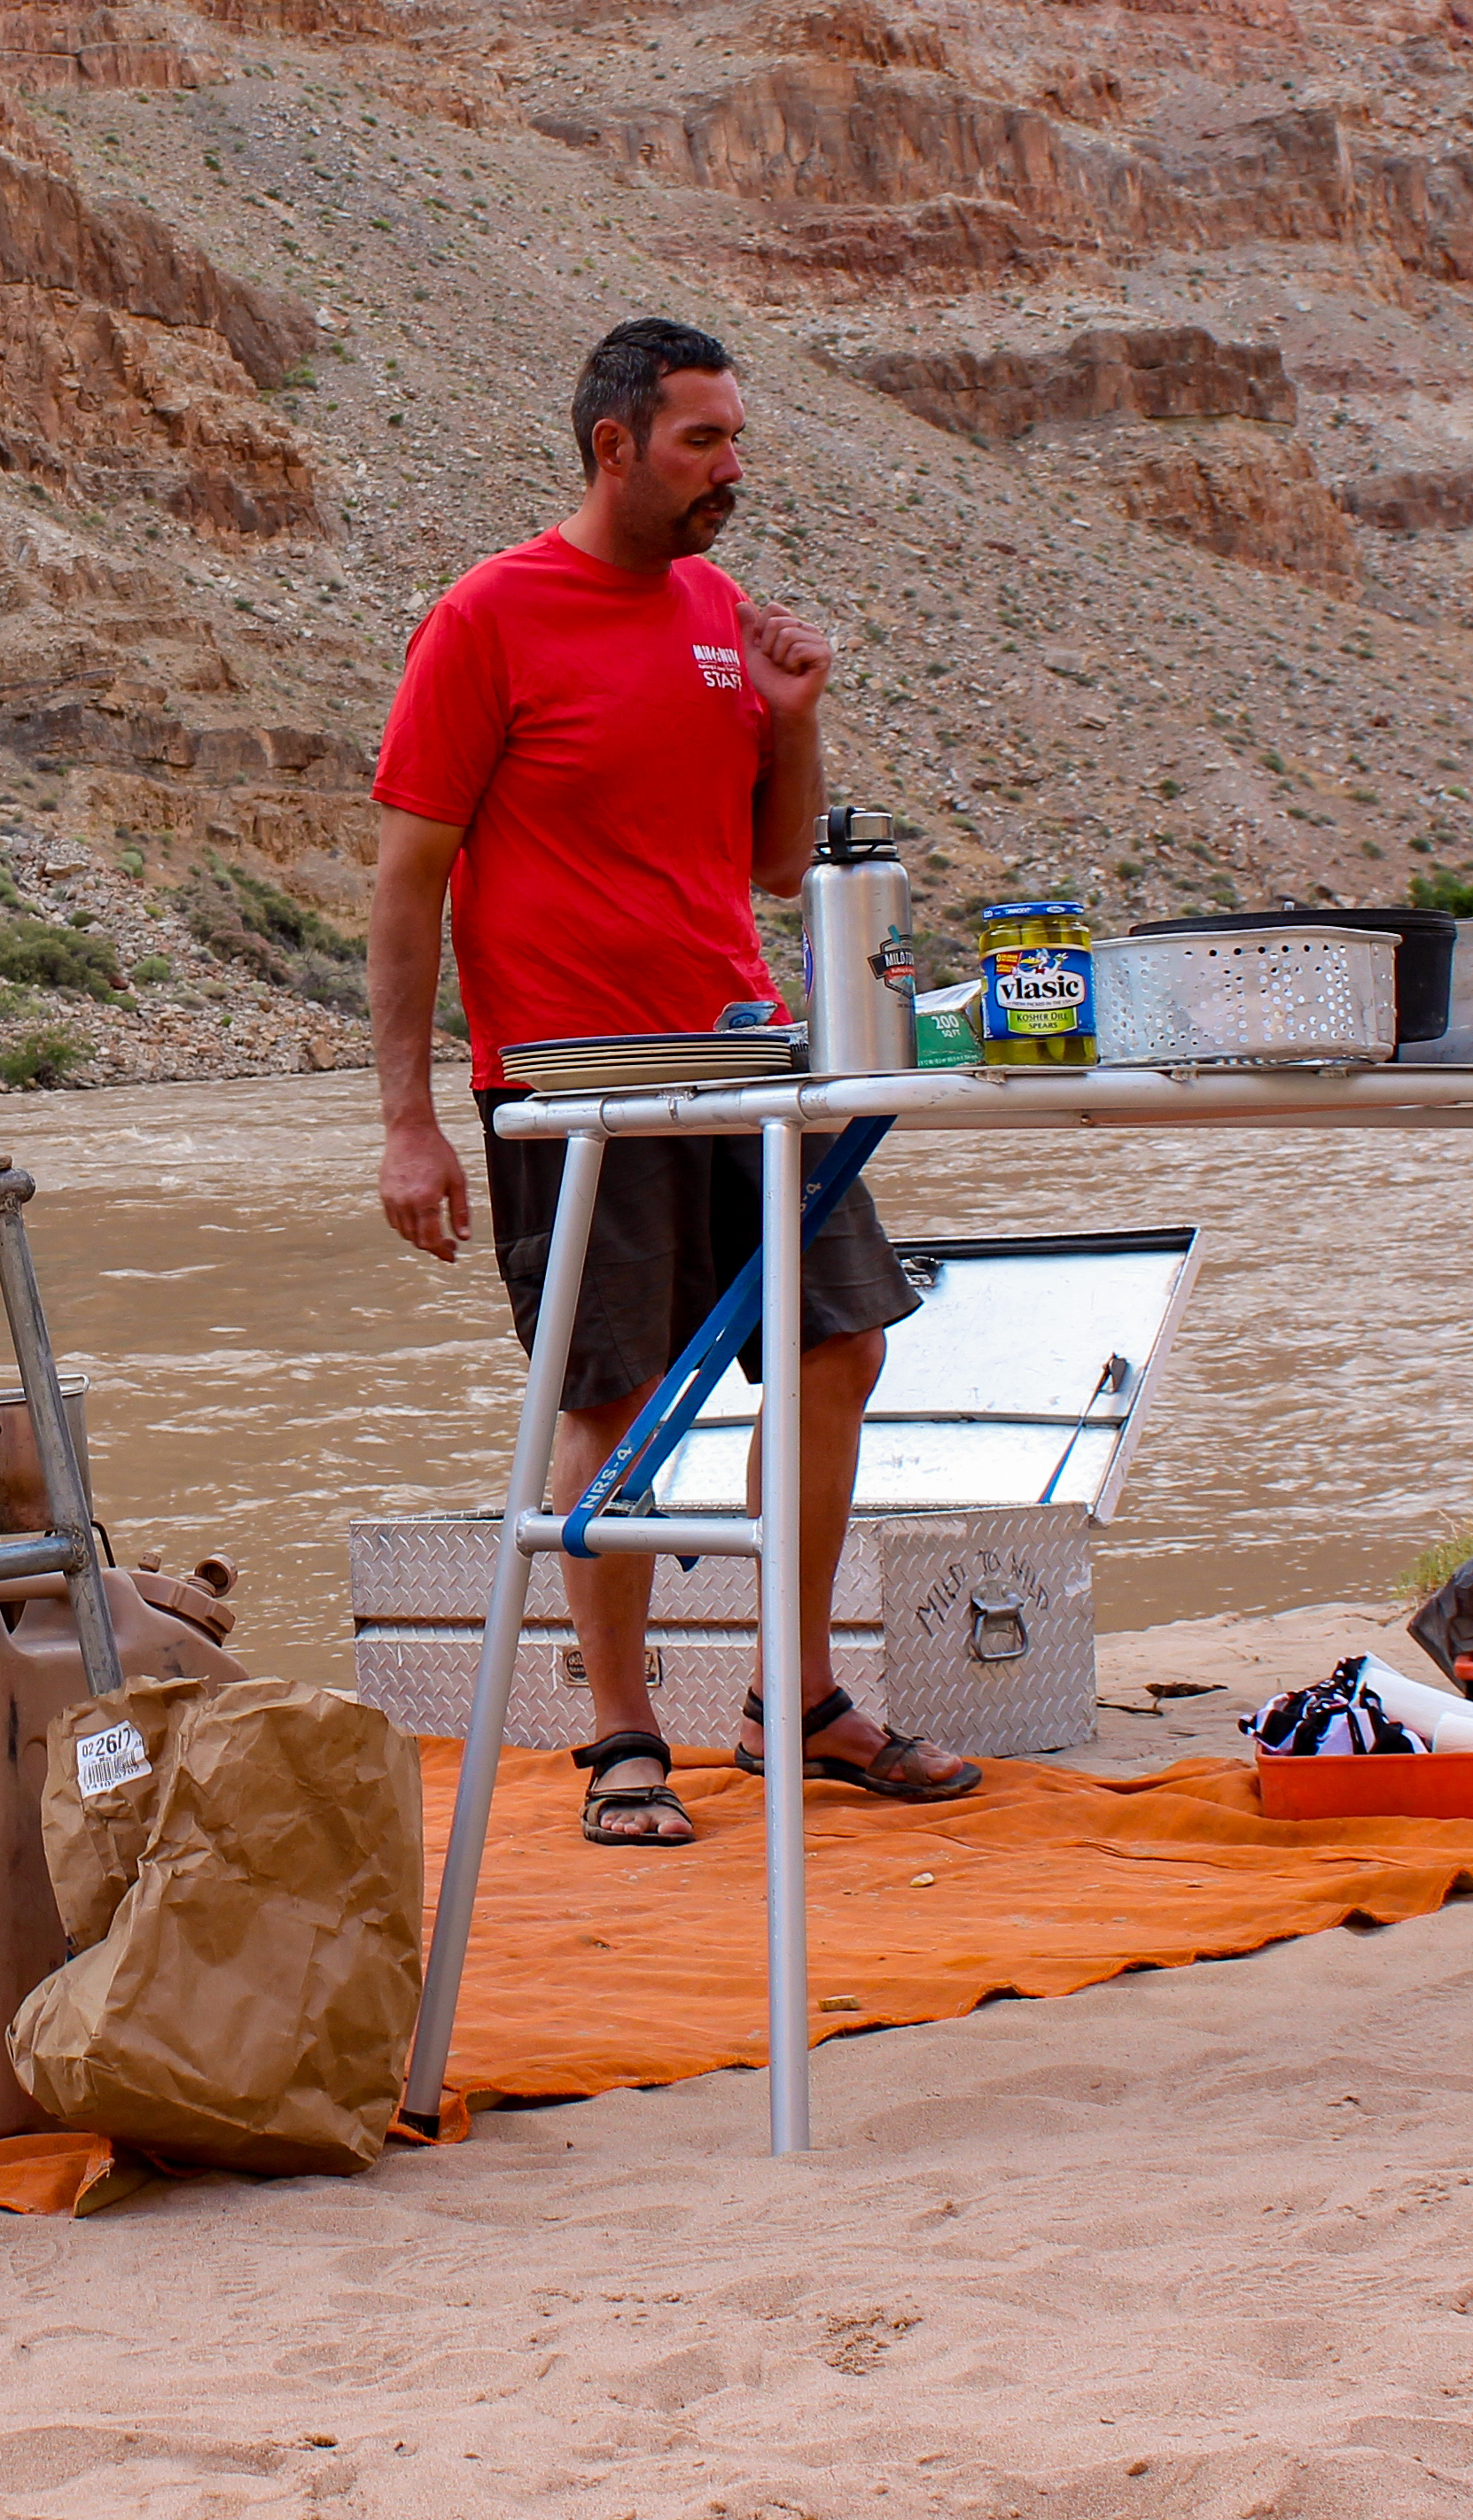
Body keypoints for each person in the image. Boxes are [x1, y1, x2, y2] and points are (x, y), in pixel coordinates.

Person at [366, 316, 979, 1845]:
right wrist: (407, 1119)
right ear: (613, 446)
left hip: (742, 1051)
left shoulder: (719, 610)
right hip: (576, 1078)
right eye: (704, 441)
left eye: (737, 439)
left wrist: (794, 719)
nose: (732, 470)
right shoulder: (488, 617)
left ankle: (801, 1697)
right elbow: (405, 879)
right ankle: (623, 1733)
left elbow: (773, 862)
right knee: (612, 1395)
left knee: (841, 1350)